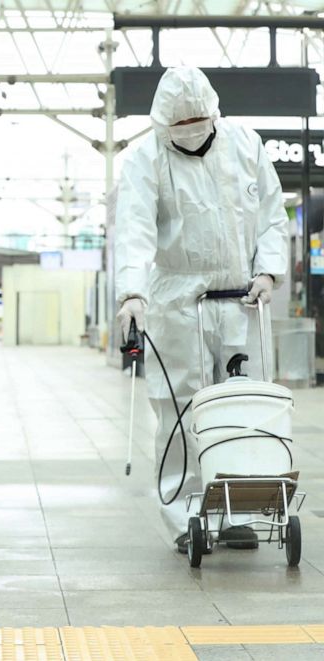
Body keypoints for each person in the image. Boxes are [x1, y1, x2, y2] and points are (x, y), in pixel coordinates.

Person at [115, 66, 288, 554]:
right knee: (179, 407)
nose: (191, 133)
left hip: (241, 298)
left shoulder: (246, 144)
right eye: (180, 126)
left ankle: (236, 509)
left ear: (215, 113)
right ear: (162, 123)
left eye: (199, 122)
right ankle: (185, 514)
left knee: (237, 406)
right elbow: (134, 228)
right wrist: (132, 292)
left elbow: (273, 215)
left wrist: (268, 273)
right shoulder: (145, 158)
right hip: (177, 299)